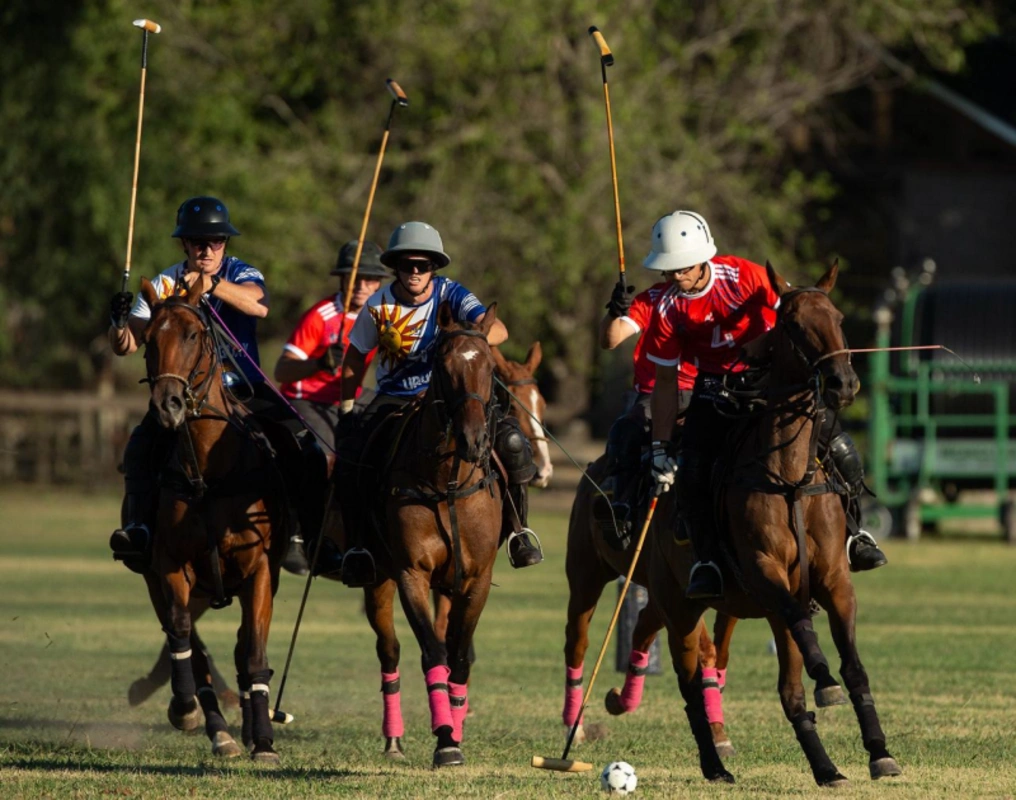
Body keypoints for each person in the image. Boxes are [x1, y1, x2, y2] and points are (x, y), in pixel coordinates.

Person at [643, 210, 886, 600]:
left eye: (681, 268)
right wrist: (659, 445)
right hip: (714, 388)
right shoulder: (668, 308)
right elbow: (667, 383)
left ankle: (857, 535)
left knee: (839, 445)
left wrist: (766, 341)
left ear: (703, 258)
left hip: (768, 381)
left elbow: (798, 312)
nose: (674, 277)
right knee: (693, 469)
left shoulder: (745, 276)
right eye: (667, 270)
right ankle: (706, 561)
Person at [334, 221, 544, 586]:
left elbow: (499, 330)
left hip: (452, 397)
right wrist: (348, 407)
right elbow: (355, 357)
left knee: (510, 440)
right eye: (407, 264)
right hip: (395, 397)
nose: (415, 272)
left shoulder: (452, 293)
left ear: (434, 267)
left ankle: (517, 530)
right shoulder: (377, 303)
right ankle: (359, 548)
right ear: (395, 266)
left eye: (424, 265)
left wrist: (466, 334)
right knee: (353, 454)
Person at [106, 196, 286, 570]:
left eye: (215, 241)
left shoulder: (241, 272)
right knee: (140, 449)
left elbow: (258, 305)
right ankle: (139, 528)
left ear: (225, 244)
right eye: (197, 241)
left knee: (300, 444)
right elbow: (127, 346)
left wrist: (209, 284)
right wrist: (119, 324)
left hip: (243, 387)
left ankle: (302, 534)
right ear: (184, 244)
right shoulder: (163, 282)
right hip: (183, 394)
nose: (207, 249)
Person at [271, 241, 385, 574]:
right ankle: (297, 536)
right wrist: (319, 362)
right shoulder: (321, 316)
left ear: (379, 282)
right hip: (309, 397)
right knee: (318, 459)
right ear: (341, 280)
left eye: (369, 278)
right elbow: (282, 370)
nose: (362, 286)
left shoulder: (382, 316)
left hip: (353, 394)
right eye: (355, 278)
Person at [594, 270, 696, 544]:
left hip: (705, 389)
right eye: (669, 267)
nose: (675, 273)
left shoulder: (718, 296)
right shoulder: (652, 299)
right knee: (627, 431)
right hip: (654, 392)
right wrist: (615, 312)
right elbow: (610, 340)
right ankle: (623, 508)